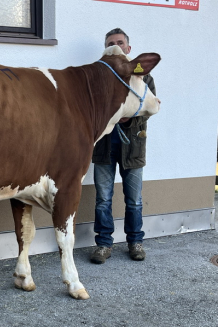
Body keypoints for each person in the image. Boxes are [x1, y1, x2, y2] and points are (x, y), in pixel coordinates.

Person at [90, 28, 156, 264]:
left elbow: (149, 108)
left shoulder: (145, 78)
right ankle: (104, 244)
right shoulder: (99, 77)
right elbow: (93, 111)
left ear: (128, 48)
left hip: (133, 148)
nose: (116, 46)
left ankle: (135, 242)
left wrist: (128, 117)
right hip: (104, 147)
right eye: (111, 43)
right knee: (103, 199)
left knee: (134, 200)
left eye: (120, 42)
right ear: (107, 50)